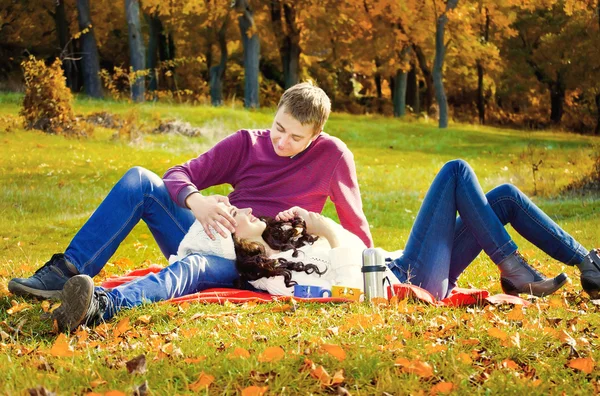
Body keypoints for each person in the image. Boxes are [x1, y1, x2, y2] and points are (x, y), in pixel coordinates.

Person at [52, 160, 600, 332]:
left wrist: (305, 223)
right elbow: (346, 254)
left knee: (498, 196)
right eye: (243, 214)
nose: (241, 207)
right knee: (457, 171)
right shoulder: (265, 267)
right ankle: (513, 266)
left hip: (391, 264)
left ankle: (586, 262)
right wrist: (322, 225)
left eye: (243, 211)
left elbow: (344, 245)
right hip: (400, 275)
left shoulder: (267, 241)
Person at [8, 82, 373, 301]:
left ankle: (102, 303)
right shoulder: (246, 144)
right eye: (278, 127)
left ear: (316, 135)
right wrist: (196, 202)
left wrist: (374, 274)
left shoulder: (334, 155)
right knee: (140, 181)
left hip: (260, 263)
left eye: (296, 137)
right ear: (275, 113)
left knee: (200, 265)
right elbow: (179, 173)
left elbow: (355, 227)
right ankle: (66, 272)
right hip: (210, 234)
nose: (282, 141)